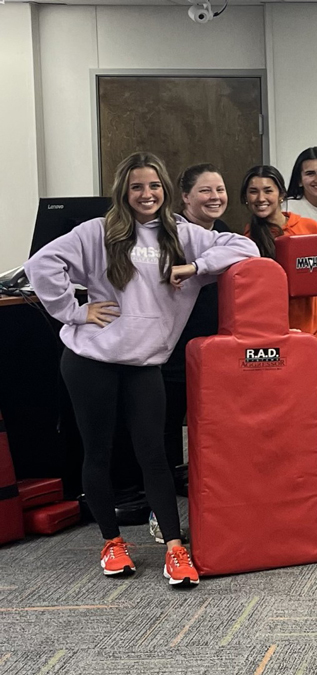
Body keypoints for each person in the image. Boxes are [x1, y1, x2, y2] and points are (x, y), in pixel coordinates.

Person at [26, 151, 258, 586]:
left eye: (154, 186)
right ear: (124, 191)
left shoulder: (181, 234)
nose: (146, 194)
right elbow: (41, 264)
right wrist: (75, 313)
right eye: (137, 186)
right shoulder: (99, 231)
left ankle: (174, 548)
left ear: (165, 190)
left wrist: (195, 266)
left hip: (144, 363)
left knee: (154, 456)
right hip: (90, 360)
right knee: (99, 453)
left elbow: (246, 247)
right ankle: (112, 543)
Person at [161, 164, 231, 497]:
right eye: (205, 190)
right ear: (185, 197)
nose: (215, 197)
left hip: (216, 348)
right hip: (172, 348)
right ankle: (168, 489)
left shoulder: (226, 234)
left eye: (219, 189)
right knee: (169, 423)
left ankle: (211, 477)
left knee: (216, 420)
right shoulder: (168, 234)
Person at [240, 165, 317, 344]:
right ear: (246, 198)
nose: (261, 198)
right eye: (253, 191)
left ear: (281, 194)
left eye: (268, 190)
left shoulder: (309, 228)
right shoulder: (247, 240)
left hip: (312, 334)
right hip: (272, 336)